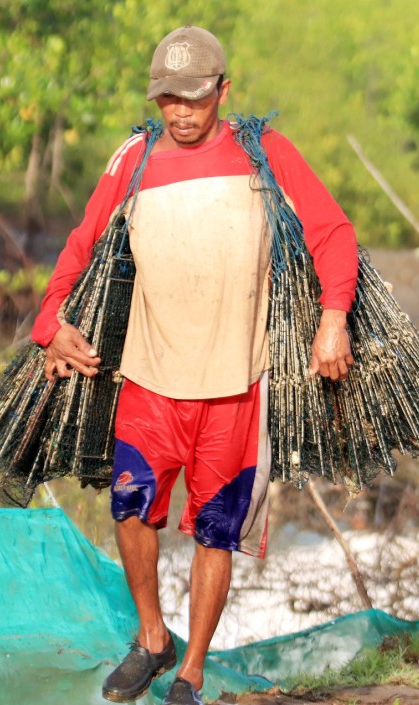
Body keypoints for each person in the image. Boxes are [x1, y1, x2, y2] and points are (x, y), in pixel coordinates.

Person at [29, 25, 358, 705]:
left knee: (217, 528)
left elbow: (332, 231)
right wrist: (48, 325)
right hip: (150, 379)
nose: (179, 111)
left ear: (222, 91)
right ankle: (153, 639)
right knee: (130, 506)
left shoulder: (263, 153)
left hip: (236, 386)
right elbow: (82, 239)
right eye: (166, 98)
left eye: (193, 97)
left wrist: (333, 317)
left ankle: (192, 670)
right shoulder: (136, 158)